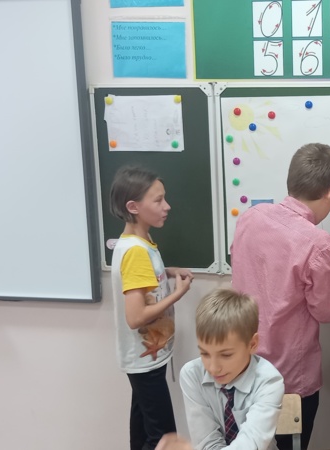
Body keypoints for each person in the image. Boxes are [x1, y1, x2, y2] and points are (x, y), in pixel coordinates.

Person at [230, 142, 330, 449]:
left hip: (242, 364)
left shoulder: (250, 217)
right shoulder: (317, 242)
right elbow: (327, 311)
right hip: (289, 378)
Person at [109, 165, 194, 450]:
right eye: (158, 200)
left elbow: (143, 281)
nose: (166, 206)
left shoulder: (138, 243)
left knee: (144, 432)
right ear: (133, 207)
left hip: (146, 359)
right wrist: (177, 295)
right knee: (164, 437)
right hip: (144, 362)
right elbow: (136, 317)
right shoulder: (135, 251)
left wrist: (167, 272)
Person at [178, 288, 284, 450]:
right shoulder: (192, 375)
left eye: (226, 355)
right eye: (204, 353)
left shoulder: (269, 381)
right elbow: (207, 443)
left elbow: (249, 445)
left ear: (252, 344)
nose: (213, 368)